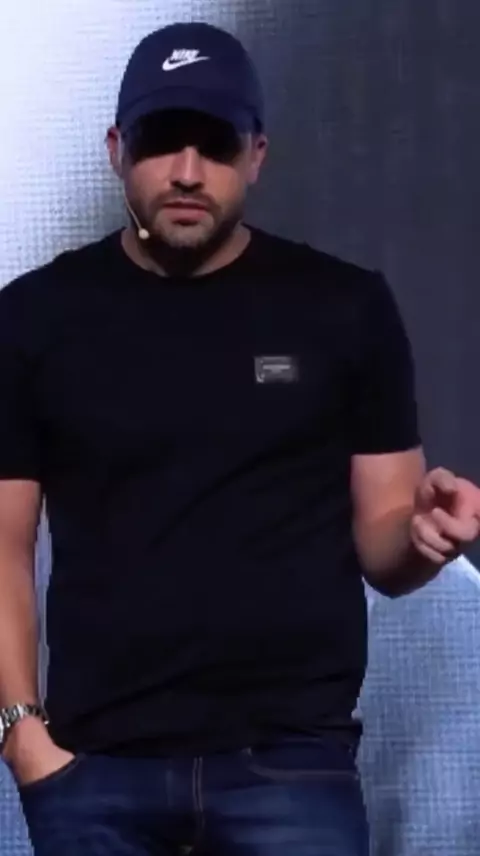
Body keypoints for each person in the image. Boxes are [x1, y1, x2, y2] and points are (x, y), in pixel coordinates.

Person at [0, 21, 479, 856]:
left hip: (291, 770)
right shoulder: (35, 317)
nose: (188, 171)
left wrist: (423, 537)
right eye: (161, 139)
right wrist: (22, 737)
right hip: (94, 774)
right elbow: (2, 546)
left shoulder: (344, 308)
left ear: (255, 155)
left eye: (215, 143)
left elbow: (384, 545)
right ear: (117, 149)